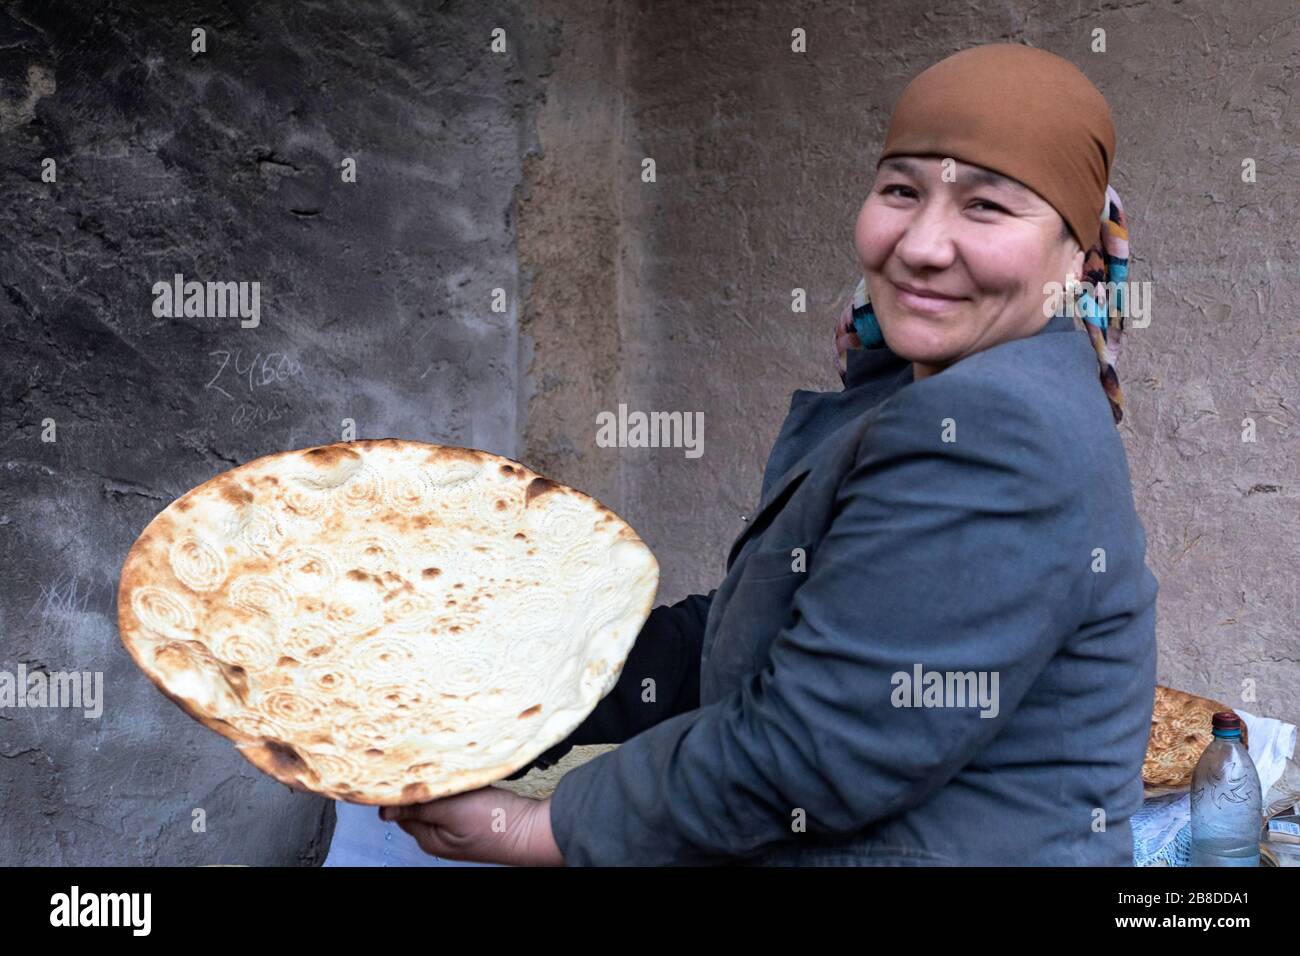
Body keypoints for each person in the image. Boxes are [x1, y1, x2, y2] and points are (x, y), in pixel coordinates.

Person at [381, 42, 1158, 866]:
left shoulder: (994, 426)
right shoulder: (920, 387)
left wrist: (543, 828)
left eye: (988, 209)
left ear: (1074, 261)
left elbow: (819, 747)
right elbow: (767, 624)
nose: (925, 244)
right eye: (902, 190)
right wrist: (505, 689)